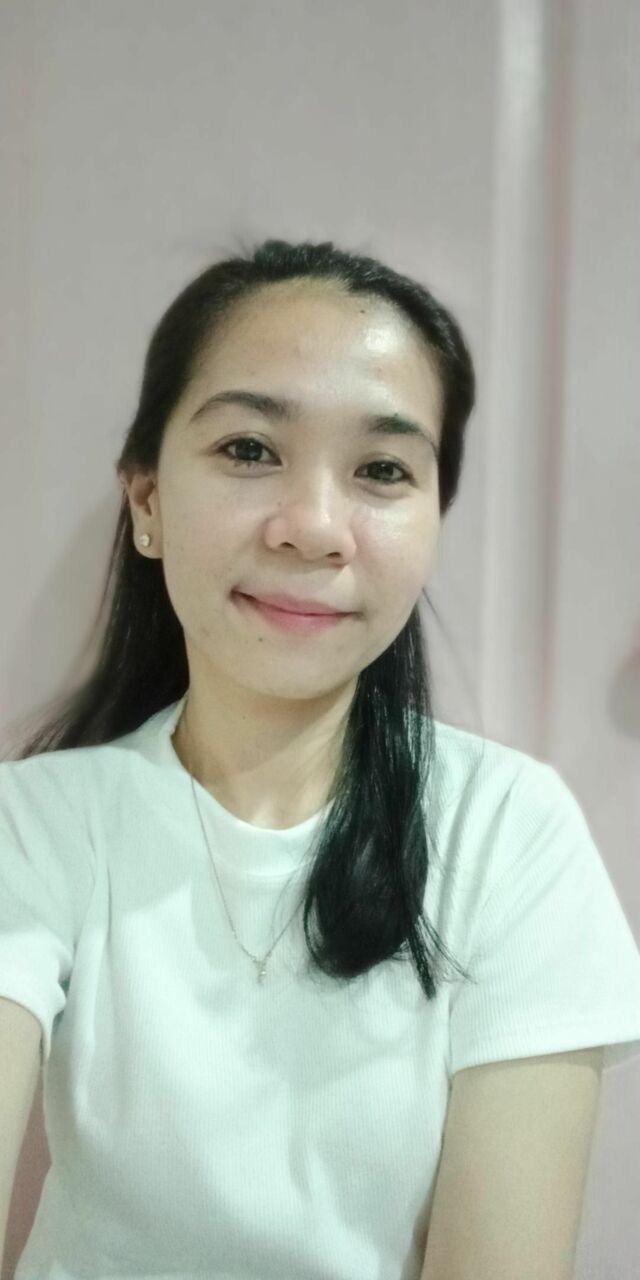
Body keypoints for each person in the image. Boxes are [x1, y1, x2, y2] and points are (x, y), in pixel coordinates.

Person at [2, 237, 640, 1280]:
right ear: (148, 500)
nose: (313, 527)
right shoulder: (34, 826)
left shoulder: (508, 833)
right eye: (250, 448)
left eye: (383, 470)